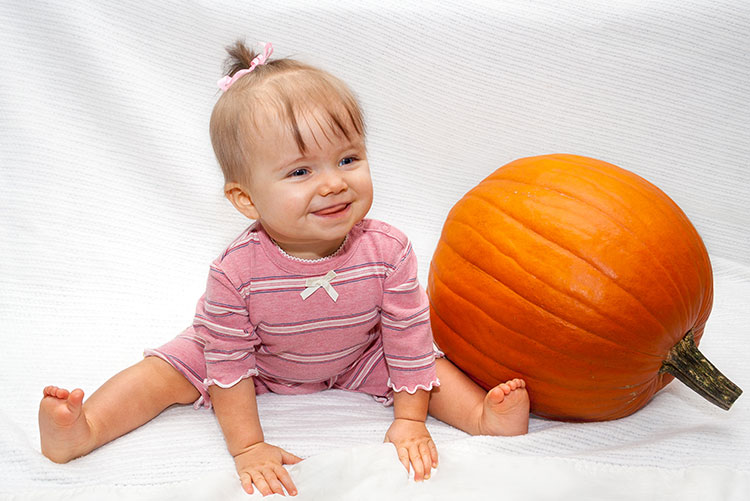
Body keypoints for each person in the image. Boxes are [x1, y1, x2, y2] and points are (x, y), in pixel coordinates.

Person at [38, 40, 530, 497]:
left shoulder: (388, 250)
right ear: (246, 199)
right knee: (164, 371)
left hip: (355, 353)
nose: (334, 183)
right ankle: (85, 430)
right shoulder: (236, 272)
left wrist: (411, 420)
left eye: (348, 158)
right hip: (256, 359)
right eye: (301, 171)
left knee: (424, 366)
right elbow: (229, 364)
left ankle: (481, 418)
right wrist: (249, 447)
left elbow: (406, 334)